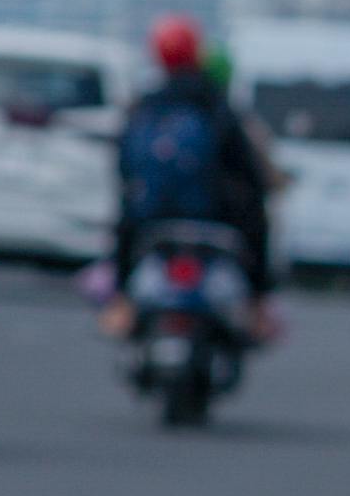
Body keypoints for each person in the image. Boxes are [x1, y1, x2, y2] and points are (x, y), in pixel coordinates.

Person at [113, 16, 280, 317]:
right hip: (214, 217)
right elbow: (249, 172)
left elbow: (124, 167)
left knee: (124, 219)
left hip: (152, 217)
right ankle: (258, 308)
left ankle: (121, 305)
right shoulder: (216, 107)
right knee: (258, 219)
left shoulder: (147, 104)